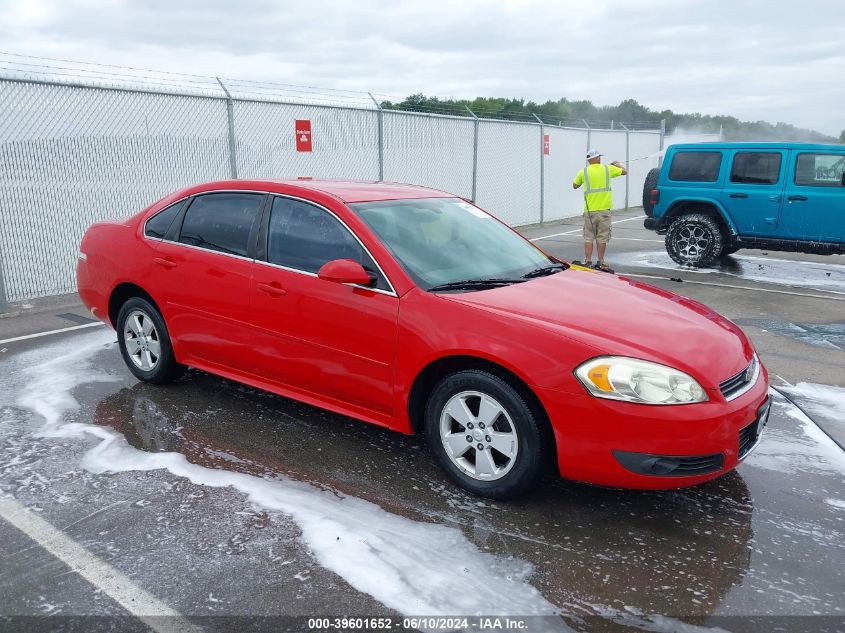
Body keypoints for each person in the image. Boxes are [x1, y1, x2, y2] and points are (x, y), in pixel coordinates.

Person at [572, 149, 627, 270]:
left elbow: (574, 185)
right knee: (602, 237)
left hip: (589, 210)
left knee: (588, 236)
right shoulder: (608, 169)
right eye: (599, 157)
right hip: (604, 210)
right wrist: (617, 164)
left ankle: (588, 261)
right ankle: (601, 261)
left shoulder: (583, 172)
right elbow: (624, 172)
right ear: (597, 158)